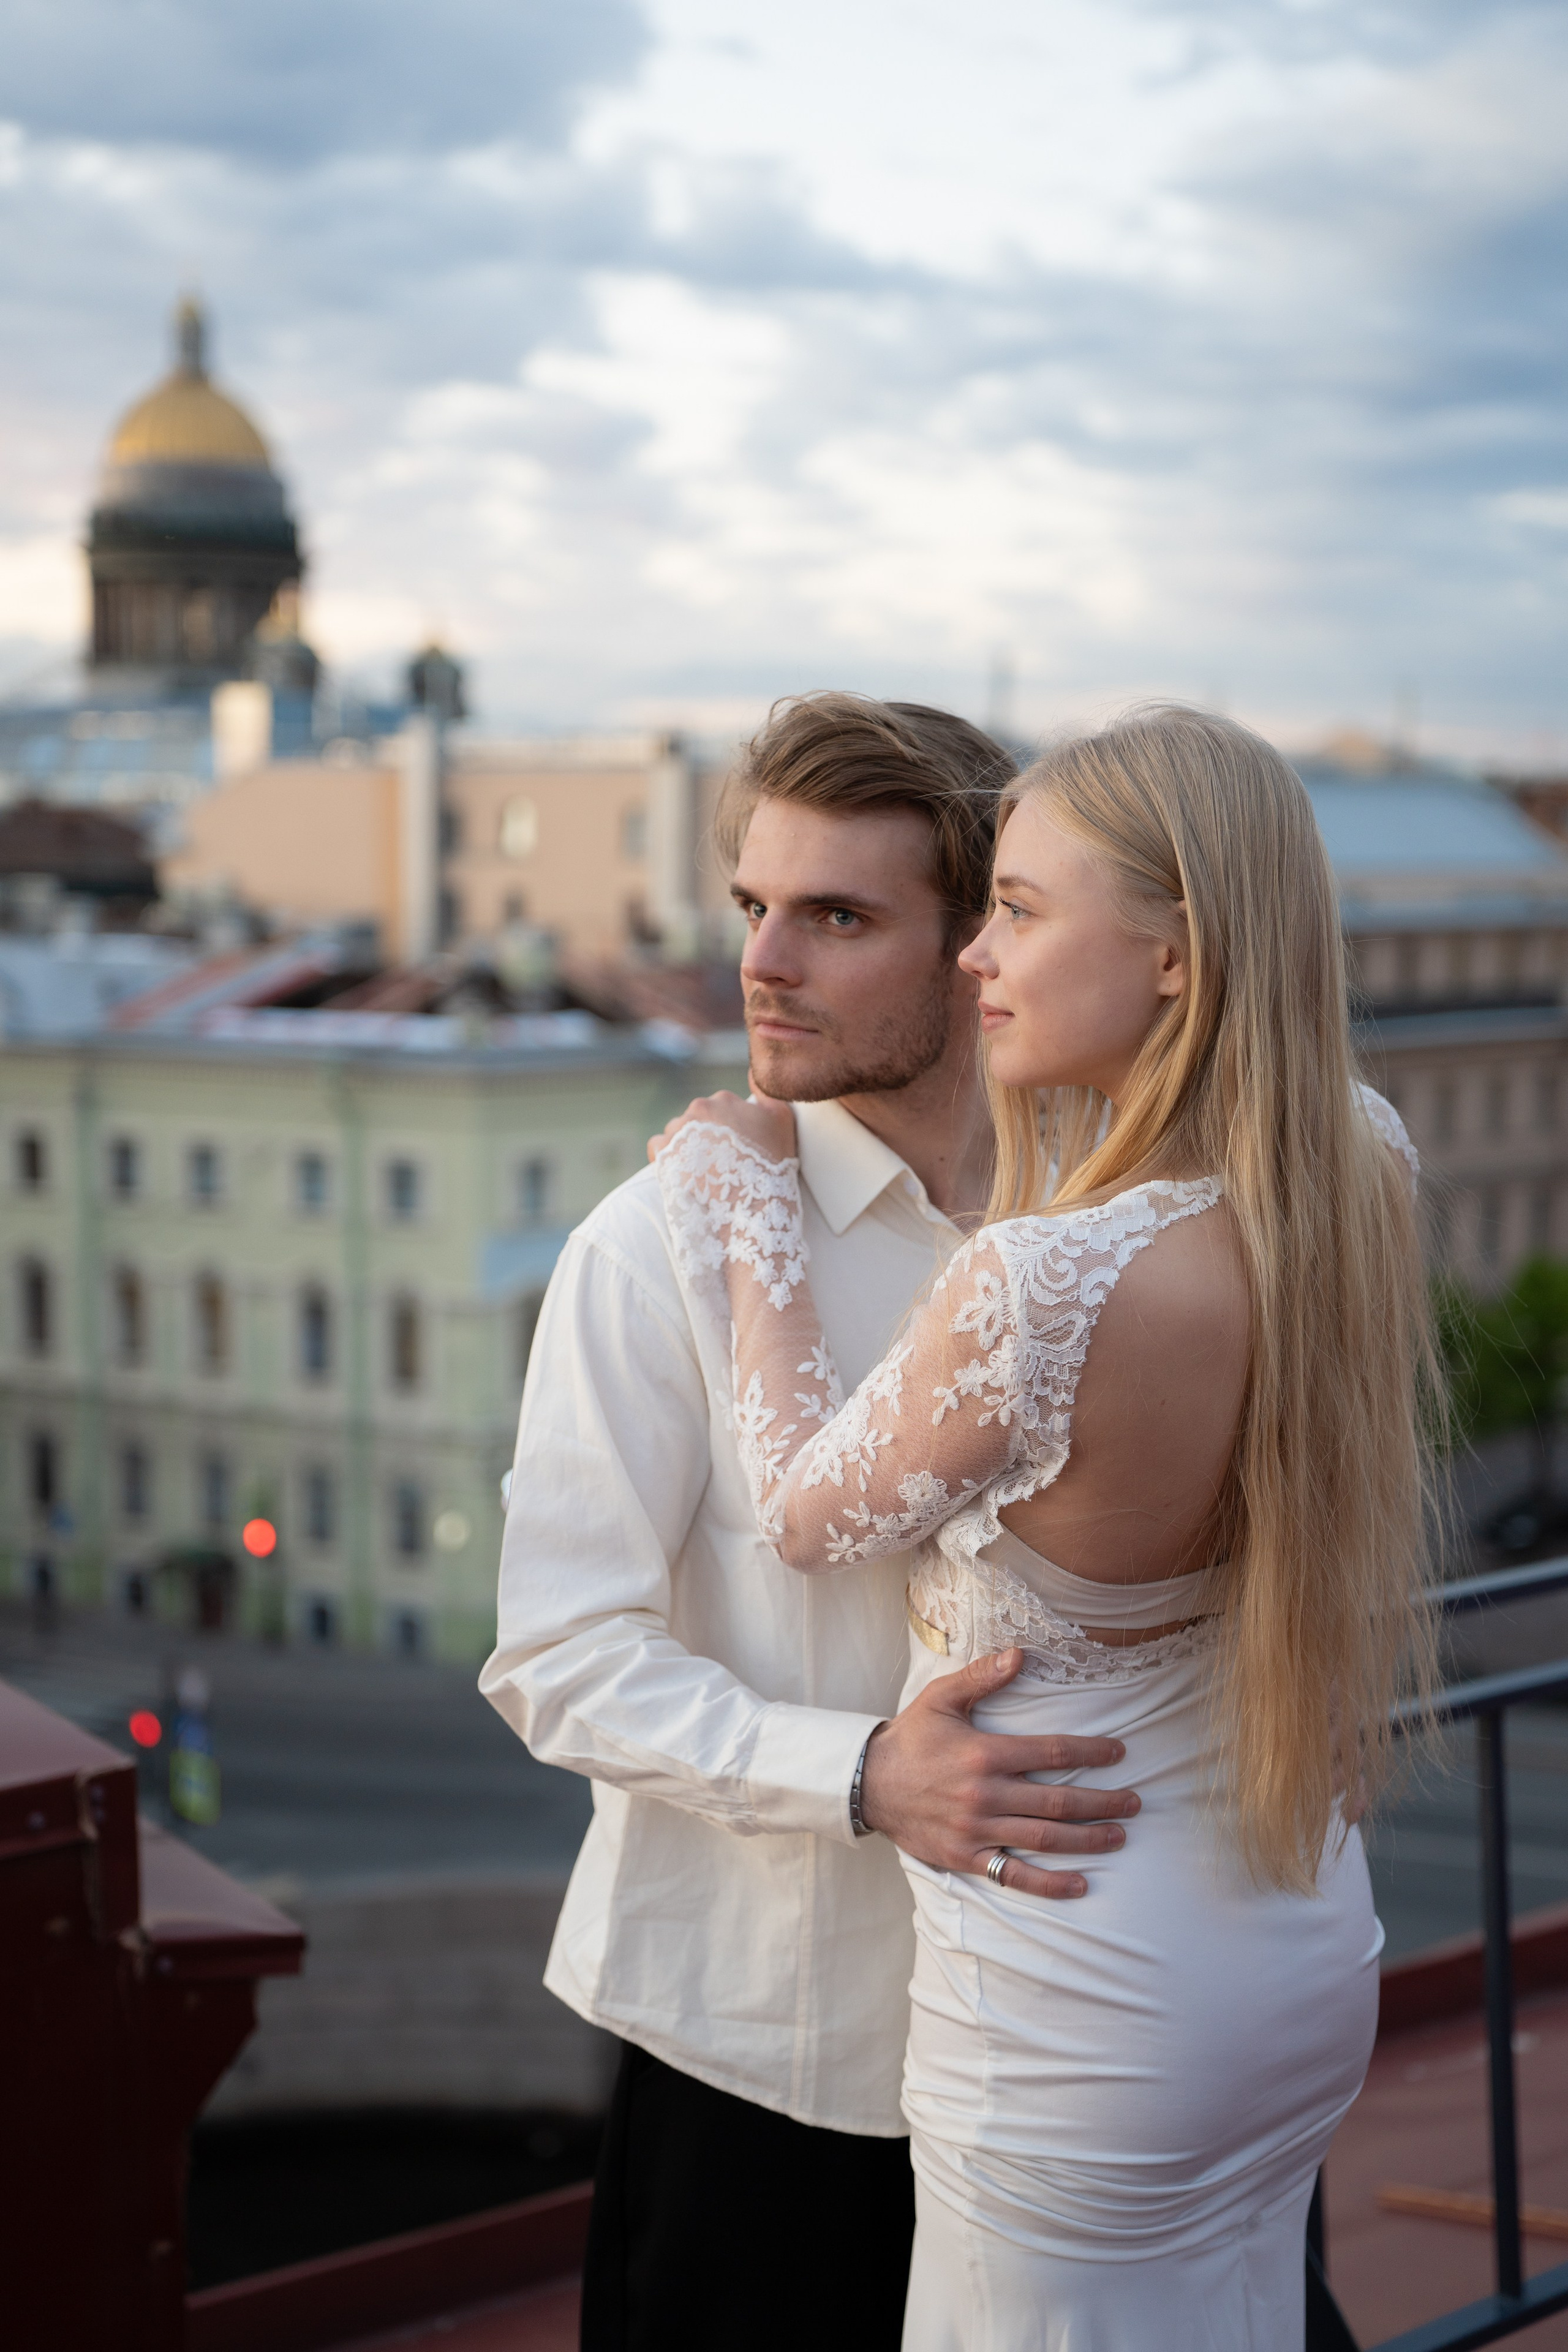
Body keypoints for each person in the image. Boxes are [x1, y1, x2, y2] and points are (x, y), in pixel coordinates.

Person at [652, 705, 1436, 2352]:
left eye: (1019, 910)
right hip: (1295, 1944)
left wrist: (748, 1219)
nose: (976, 960)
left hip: (1084, 2011)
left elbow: (801, 1508)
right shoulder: (1358, 1165)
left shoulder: (1042, 1281)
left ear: (1173, 956)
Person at [480, 694, 1142, 2352]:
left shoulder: (1112, 1222)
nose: (763, 965)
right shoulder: (651, 1250)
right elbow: (559, 1656)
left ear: (975, 946)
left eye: (838, 917)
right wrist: (862, 1776)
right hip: (772, 2058)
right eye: (753, 909)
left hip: (1077, 2037)